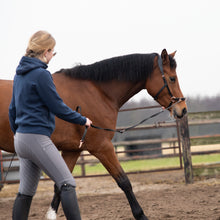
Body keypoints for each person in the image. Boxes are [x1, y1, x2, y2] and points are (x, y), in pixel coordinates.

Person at [9, 30, 92, 220]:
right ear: (46, 51)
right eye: (53, 52)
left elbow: (12, 110)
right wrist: (82, 120)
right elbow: (57, 106)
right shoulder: (41, 75)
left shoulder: (19, 75)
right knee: (67, 183)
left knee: (26, 191)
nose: (52, 56)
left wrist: (18, 134)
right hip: (36, 138)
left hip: (21, 139)